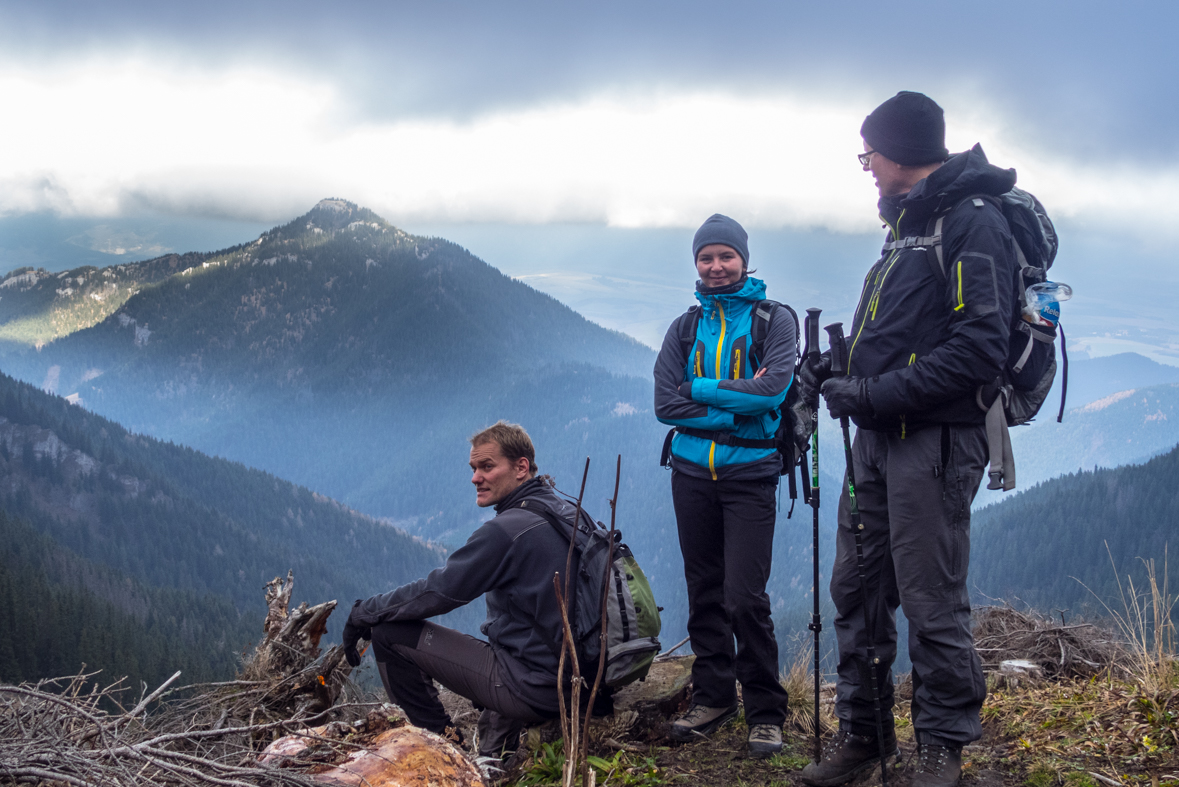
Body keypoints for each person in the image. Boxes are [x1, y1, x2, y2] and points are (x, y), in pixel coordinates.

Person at [798, 92, 1020, 787]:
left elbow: (978, 349)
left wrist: (868, 394)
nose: (863, 165)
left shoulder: (970, 223)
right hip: (878, 438)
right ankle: (864, 737)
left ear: (895, 151)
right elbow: (904, 336)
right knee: (856, 589)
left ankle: (939, 752)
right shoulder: (909, 225)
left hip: (935, 441)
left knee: (929, 597)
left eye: (867, 152)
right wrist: (836, 370)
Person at [342, 421, 594, 761]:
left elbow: (439, 592)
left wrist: (364, 612)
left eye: (487, 466)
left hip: (538, 686)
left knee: (388, 631)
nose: (476, 477)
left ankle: (445, 751)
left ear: (521, 467)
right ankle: (492, 752)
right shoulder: (568, 511)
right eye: (474, 468)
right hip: (586, 677)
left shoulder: (507, 531)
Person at [653, 214, 795, 759]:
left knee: (744, 598)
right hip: (690, 474)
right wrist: (730, 414)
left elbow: (772, 391)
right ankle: (713, 698)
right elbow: (665, 404)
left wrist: (701, 393)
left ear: (743, 259)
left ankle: (765, 710)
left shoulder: (773, 320)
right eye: (706, 258)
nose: (716, 267)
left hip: (750, 476)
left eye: (725, 257)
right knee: (704, 590)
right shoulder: (684, 327)